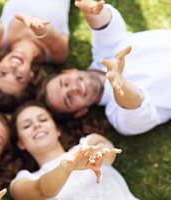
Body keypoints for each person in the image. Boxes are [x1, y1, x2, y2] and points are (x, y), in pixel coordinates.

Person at [39, 0, 171, 135]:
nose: (73, 89)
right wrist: (118, 83)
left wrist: (91, 11)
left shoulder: (105, 51)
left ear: (70, 71)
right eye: (69, 99)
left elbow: (106, 26)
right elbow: (136, 105)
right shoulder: (120, 120)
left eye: (65, 83)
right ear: (80, 112)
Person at [10, 103, 137, 200]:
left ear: (57, 130)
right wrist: (67, 167)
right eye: (26, 126)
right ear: (21, 143)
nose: (37, 125)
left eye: (43, 119)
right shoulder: (24, 180)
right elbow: (40, 190)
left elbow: (108, 151)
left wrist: (96, 155)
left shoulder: (87, 143)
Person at [0, 0, 70, 109]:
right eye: (19, 77)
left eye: (3, 72)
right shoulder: (55, 56)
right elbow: (51, 37)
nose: (13, 67)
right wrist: (37, 28)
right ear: (30, 77)